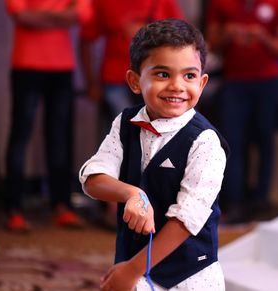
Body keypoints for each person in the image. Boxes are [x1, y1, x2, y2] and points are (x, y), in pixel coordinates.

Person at [79, 19, 228, 290]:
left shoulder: (205, 142)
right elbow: (92, 178)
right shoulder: (125, 124)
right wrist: (131, 194)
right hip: (134, 264)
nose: (176, 86)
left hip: (190, 276)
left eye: (189, 76)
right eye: (162, 74)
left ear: (203, 82)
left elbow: (186, 220)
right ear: (135, 81)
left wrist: (132, 271)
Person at [79, 0, 182, 229]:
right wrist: (90, 82)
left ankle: (156, 206)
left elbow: (182, 38)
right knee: (120, 143)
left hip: (156, 83)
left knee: (160, 142)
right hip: (115, 79)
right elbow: (86, 38)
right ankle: (114, 210)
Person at [4, 0, 92, 231]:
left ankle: (62, 206)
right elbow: (21, 17)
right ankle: (14, 209)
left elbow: (80, 15)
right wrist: (60, 14)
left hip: (62, 67)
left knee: (60, 138)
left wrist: (40, 15)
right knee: (20, 136)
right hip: (26, 64)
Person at [206, 0, 278, 223]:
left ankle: (261, 201)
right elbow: (210, 45)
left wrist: (261, 36)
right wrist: (228, 34)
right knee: (232, 142)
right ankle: (235, 202)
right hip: (234, 82)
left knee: (265, 140)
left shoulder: (277, 4)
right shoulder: (221, 4)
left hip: (267, 82)